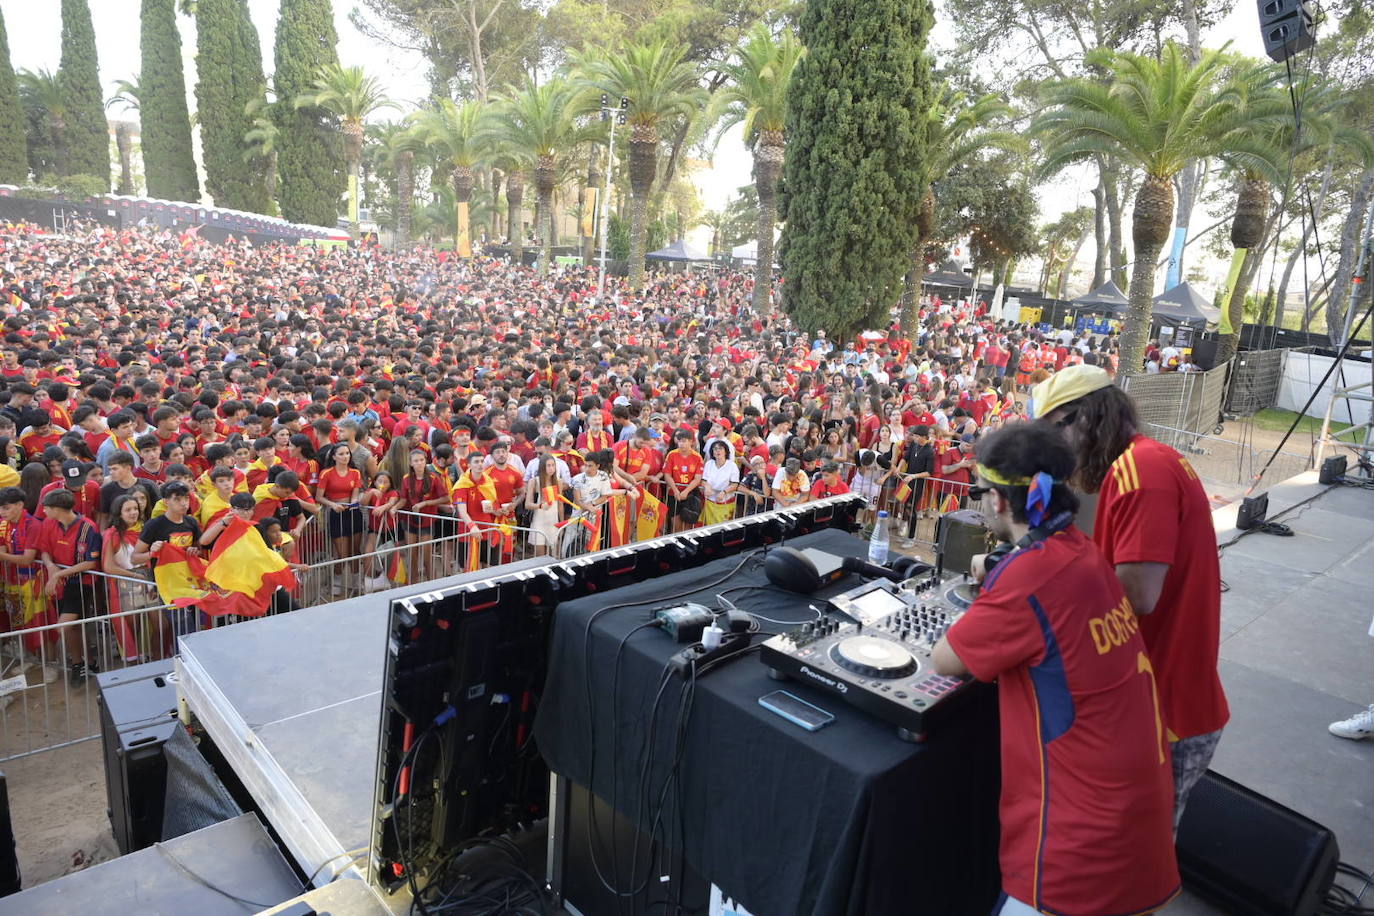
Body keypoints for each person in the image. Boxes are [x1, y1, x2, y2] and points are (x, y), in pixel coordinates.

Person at [931, 423, 1179, 916]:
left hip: (1078, 844)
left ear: (1000, 503)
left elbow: (946, 659)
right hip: (1135, 824)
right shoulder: (1084, 553)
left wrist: (1003, 580)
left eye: (983, 494)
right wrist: (1006, 567)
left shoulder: (1029, 578)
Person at [1033, 364, 1228, 830]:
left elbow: (1137, 595)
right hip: (1154, 695)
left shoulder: (1141, 470)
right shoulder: (1142, 461)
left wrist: (1038, 592)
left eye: (1052, 437)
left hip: (1166, 706)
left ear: (1082, 419)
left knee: (1136, 855)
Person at [35, 488, 105, 682]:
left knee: (63, 627)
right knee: (75, 628)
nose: (43, 511)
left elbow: (91, 563)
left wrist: (58, 574)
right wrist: (51, 568)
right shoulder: (49, 523)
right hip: (60, 583)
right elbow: (45, 551)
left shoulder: (88, 527)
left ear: (57, 509)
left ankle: (85, 663)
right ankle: (82, 664)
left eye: (46, 508)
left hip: (81, 582)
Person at [132, 481, 204, 642]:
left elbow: (198, 549)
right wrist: (152, 552)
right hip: (168, 585)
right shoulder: (154, 525)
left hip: (191, 581)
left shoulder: (191, 522)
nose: (184, 502)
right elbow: (135, 557)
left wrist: (194, 551)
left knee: (199, 624)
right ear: (166, 502)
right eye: (177, 499)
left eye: (186, 498)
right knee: (183, 628)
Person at [700, 439, 739, 526]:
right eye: (715, 449)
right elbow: (703, 480)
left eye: (720, 448)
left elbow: (735, 484)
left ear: (725, 451)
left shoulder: (732, 465)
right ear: (712, 452)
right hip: (710, 502)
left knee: (723, 528)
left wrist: (724, 492)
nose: (717, 451)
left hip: (726, 502)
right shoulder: (709, 464)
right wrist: (707, 487)